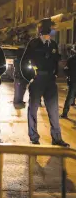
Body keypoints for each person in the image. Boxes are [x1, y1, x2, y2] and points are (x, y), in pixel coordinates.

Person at [20, 18, 69, 147]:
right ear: (43, 30)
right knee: (33, 108)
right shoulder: (34, 44)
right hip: (37, 79)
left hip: (50, 81)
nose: (51, 32)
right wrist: (30, 77)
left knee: (53, 110)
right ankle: (34, 137)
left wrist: (56, 74)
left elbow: (55, 60)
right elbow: (24, 62)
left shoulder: (53, 44)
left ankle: (57, 138)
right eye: (50, 29)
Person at [60, 44, 76, 118]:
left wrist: (69, 74)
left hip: (73, 80)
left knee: (70, 97)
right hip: (73, 80)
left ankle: (65, 113)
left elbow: (65, 69)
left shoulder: (71, 59)